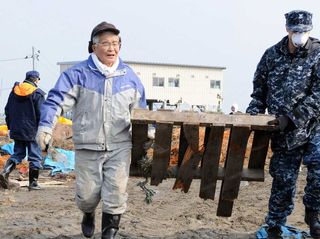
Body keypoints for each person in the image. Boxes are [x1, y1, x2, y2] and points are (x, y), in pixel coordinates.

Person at [36, 22, 146, 239]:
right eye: (105, 43)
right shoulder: (77, 74)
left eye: (115, 43)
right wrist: (46, 127)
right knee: (87, 195)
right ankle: (88, 213)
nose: (111, 48)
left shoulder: (130, 77)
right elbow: (55, 100)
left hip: (120, 145)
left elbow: (141, 112)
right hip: (88, 144)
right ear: (93, 47)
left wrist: (148, 135)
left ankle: (109, 231)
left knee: (115, 192)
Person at [246, 10, 320, 238]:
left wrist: (293, 118)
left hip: (314, 128)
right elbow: (259, 90)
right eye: (296, 31)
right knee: (283, 179)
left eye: (305, 31)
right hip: (283, 132)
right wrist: (253, 114)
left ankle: (314, 215)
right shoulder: (271, 55)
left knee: (319, 173)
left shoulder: (318, 54)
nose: (300, 35)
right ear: (287, 29)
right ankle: (275, 225)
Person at [0, 70, 45, 190]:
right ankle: (33, 183)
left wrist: (10, 127)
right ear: (36, 80)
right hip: (32, 130)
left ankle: (5, 172)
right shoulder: (37, 94)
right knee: (34, 156)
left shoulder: (14, 91)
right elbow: (42, 114)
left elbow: (7, 110)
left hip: (17, 129)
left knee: (18, 153)